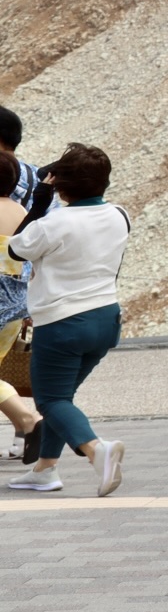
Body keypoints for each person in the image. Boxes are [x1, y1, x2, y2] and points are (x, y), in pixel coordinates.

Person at [4, 144, 127, 496]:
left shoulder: (53, 223)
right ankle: (45, 470)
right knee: (63, 396)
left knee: (51, 401)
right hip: (106, 318)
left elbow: (15, 248)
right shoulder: (120, 215)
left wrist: (39, 201)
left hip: (62, 323)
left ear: (59, 184)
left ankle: (96, 450)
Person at [0, 108, 48, 450]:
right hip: (19, 295)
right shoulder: (34, 179)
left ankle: (29, 422)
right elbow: (43, 239)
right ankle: (26, 427)